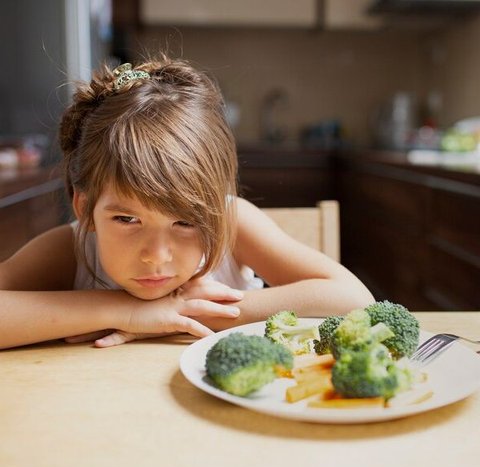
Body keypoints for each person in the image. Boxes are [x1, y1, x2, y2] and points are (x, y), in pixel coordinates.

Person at [0, 55, 374, 350]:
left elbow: (354, 298)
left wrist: (192, 313)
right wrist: (126, 310)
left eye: (186, 222)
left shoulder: (232, 220)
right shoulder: (69, 249)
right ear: (84, 209)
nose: (157, 256)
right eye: (127, 219)